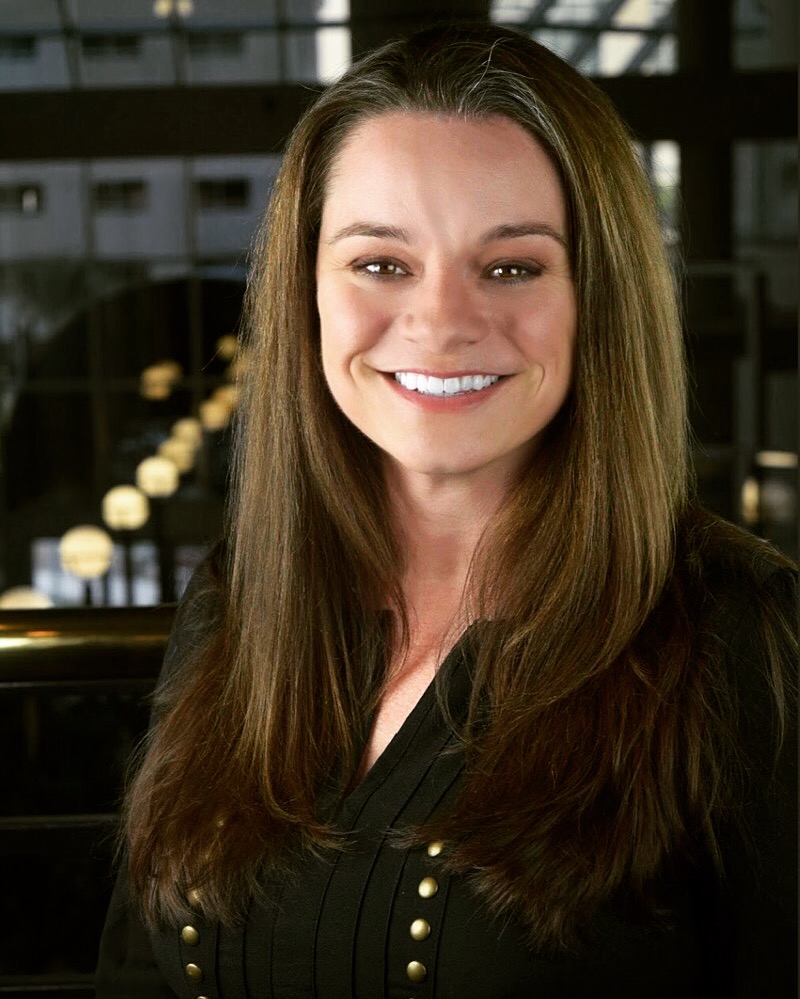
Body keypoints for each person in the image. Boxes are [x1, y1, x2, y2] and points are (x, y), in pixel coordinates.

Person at [95, 21, 797, 999]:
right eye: (381, 264)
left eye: (511, 267)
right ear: (307, 291)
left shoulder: (737, 636)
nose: (440, 323)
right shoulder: (235, 603)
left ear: (597, 296)